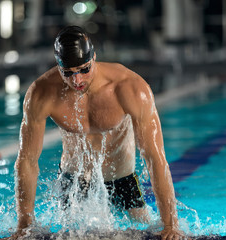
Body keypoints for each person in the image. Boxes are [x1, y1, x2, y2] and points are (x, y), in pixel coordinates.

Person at [9, 26, 184, 240]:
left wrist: (171, 225)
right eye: (68, 73)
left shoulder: (130, 88)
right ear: (58, 66)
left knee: (149, 231)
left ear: (94, 58)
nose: (77, 81)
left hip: (122, 180)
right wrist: (24, 225)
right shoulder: (42, 93)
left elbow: (155, 158)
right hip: (72, 181)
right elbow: (27, 160)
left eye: (84, 69)